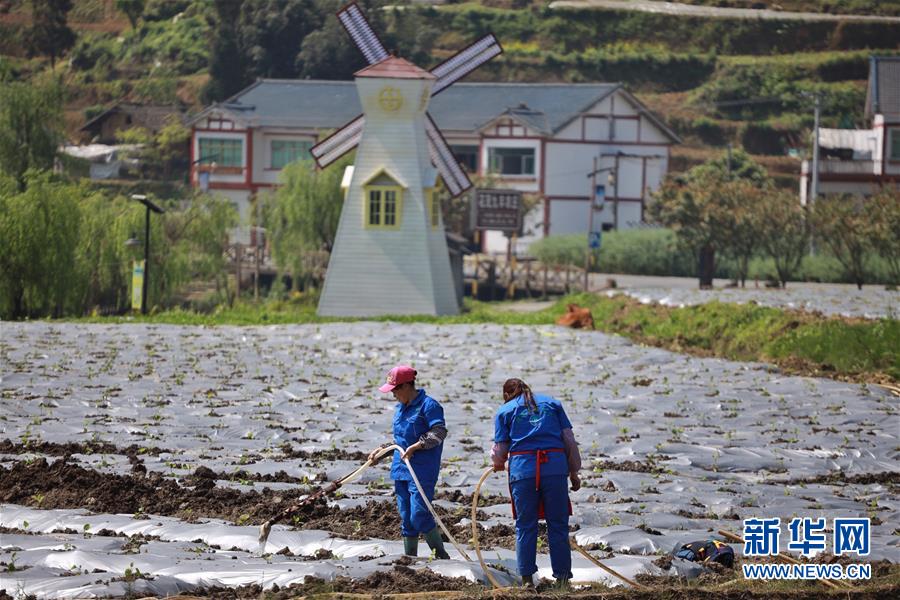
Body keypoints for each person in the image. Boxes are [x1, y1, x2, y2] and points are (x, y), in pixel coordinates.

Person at [492, 378, 582, 587]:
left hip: (523, 470)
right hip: (554, 468)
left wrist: (498, 463)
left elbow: (500, 449)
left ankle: (527, 581)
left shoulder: (505, 410)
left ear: (507, 395)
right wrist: (574, 471)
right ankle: (561, 580)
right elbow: (568, 440)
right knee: (558, 525)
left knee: (525, 525)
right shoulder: (552, 404)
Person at [368, 364, 450, 559]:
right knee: (406, 517)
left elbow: (439, 432)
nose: (393, 395)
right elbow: (400, 442)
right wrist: (381, 451)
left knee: (419, 515)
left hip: (421, 470)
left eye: (395, 390)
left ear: (406, 386)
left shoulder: (429, 406)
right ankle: (410, 559)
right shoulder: (399, 409)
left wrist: (418, 446)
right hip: (401, 469)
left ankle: (441, 555)